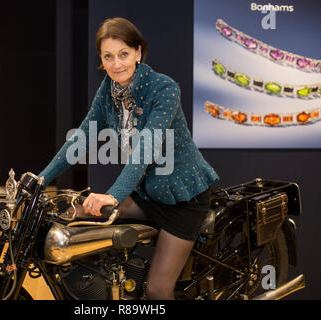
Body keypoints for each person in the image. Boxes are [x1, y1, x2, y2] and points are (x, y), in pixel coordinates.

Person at [38, 17, 219, 300]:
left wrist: (113, 195)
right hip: (148, 192)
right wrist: (41, 179)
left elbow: (146, 148)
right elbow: (81, 138)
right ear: (101, 58)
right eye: (108, 56)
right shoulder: (108, 92)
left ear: (138, 52)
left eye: (123, 54)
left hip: (183, 199)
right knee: (77, 215)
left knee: (158, 291)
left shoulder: (164, 89)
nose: (116, 64)